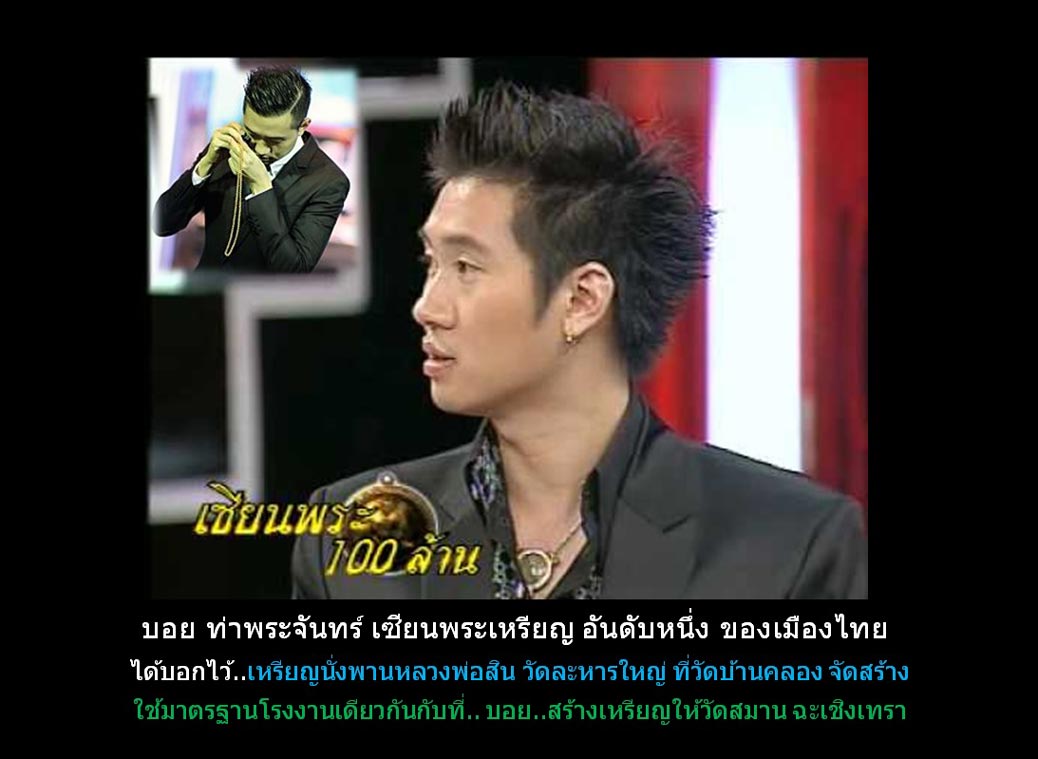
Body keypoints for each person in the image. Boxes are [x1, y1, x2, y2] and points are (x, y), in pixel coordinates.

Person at [291, 81, 867, 599]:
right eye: (431, 263)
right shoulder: (351, 539)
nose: (427, 307)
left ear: (583, 300)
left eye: (466, 267)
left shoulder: (790, 547)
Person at [153, 66, 350, 273]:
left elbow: (293, 271)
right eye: (253, 134)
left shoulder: (329, 181)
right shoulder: (229, 147)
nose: (261, 149)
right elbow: (163, 224)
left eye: (274, 141)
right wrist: (204, 166)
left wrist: (261, 188)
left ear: (302, 126)